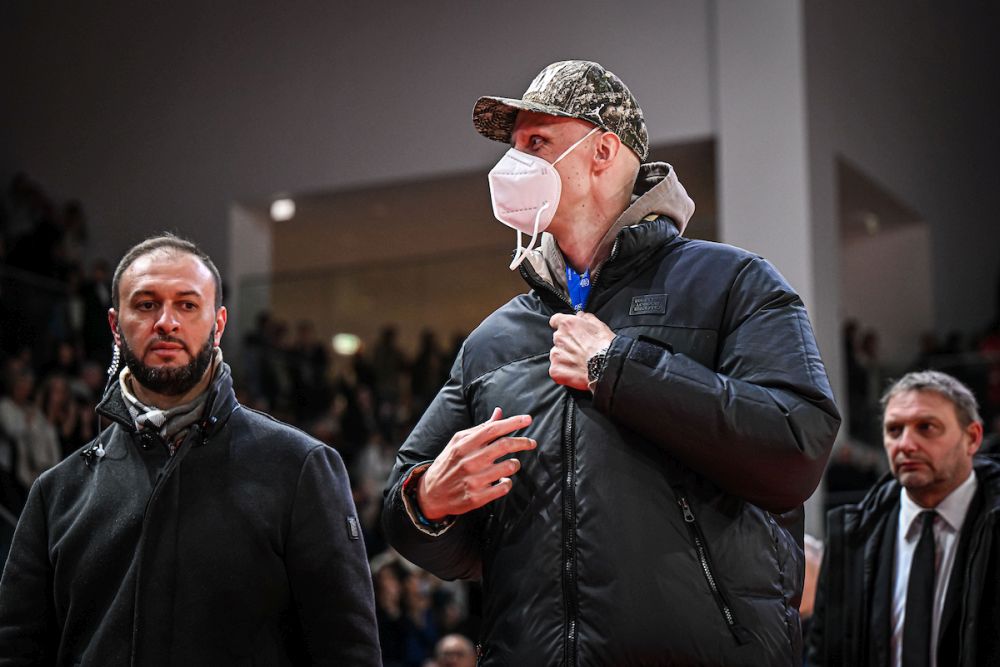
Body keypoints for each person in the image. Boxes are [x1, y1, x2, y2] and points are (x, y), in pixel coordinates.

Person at [383, 60, 841, 665]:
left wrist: (618, 367)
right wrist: (428, 502)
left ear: (602, 150)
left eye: (535, 142)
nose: (510, 166)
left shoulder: (733, 283)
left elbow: (797, 446)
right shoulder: (494, 340)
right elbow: (413, 512)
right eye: (511, 147)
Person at [0, 234, 380, 665]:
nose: (166, 322)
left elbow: (347, 652)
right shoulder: (57, 492)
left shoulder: (299, 468)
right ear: (114, 325)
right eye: (146, 305)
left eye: (186, 304)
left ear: (218, 325)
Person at [806, 370, 1000, 666]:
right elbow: (827, 654)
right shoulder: (850, 538)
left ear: (971, 438)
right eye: (894, 430)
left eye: (926, 427)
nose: (906, 444)